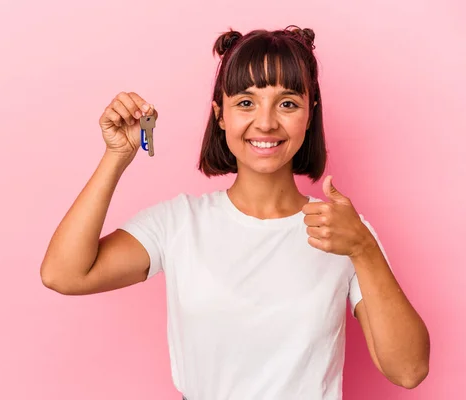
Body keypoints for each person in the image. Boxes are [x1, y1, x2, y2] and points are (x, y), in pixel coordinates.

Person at [40, 26, 430, 400]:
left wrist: (363, 249)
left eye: (288, 103)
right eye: (246, 102)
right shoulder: (179, 224)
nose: (265, 122)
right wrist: (116, 156)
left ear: (309, 114)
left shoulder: (345, 232)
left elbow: (409, 370)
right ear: (220, 114)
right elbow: (64, 274)